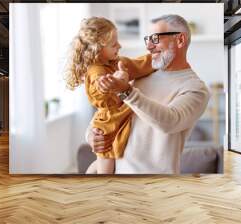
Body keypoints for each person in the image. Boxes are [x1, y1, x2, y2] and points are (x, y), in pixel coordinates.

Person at [87, 14, 211, 174]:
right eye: (148, 39)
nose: (149, 46)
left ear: (180, 40)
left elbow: (170, 121)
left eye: (155, 39)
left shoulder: (195, 88)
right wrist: (91, 135)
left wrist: (127, 91)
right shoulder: (139, 74)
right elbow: (108, 112)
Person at [65, 17, 154, 174]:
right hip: (107, 124)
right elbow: (99, 95)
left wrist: (156, 58)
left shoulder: (118, 62)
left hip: (122, 112)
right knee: (106, 170)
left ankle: (91, 171)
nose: (119, 46)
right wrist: (112, 83)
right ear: (97, 48)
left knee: (103, 166)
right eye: (114, 44)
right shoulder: (95, 71)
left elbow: (140, 65)